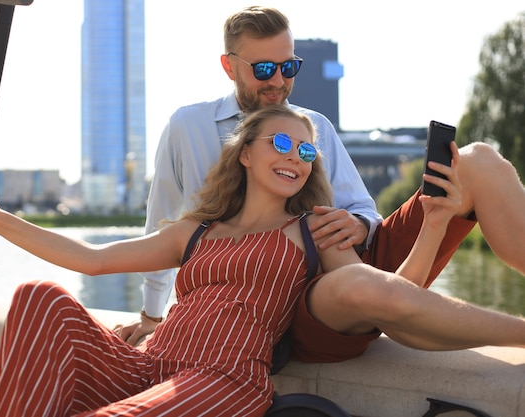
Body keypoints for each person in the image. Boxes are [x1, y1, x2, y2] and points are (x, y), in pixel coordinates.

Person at [0, 106, 525, 416]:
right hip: (150, 366)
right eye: (281, 144)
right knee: (36, 296)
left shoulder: (314, 228)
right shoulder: (196, 231)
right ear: (246, 153)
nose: (296, 159)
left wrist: (432, 224)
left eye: (305, 151)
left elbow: (393, 298)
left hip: (224, 378)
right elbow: (92, 258)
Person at [119, 5, 525, 364]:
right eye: (263, 69)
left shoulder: (316, 127)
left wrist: (360, 225)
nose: (278, 81)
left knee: (476, 161)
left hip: (350, 258)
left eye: (288, 67)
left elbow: (366, 211)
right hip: (293, 299)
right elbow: (163, 222)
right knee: (356, 286)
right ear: (229, 66)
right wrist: (152, 316)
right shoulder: (187, 127)